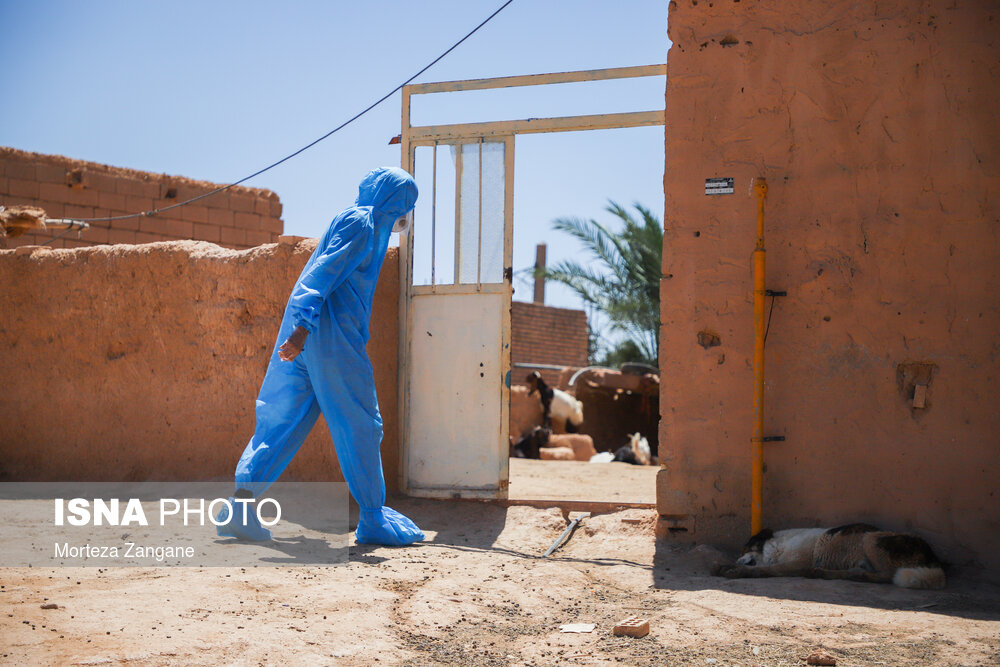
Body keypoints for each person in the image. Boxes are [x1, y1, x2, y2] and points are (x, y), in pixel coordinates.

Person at [216, 167, 425, 546]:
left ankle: (240, 509)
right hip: (331, 340)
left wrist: (301, 330)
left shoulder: (357, 220)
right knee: (362, 424)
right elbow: (319, 278)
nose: (404, 216)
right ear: (392, 201)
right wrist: (303, 328)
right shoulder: (363, 224)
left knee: (282, 420)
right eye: (404, 205)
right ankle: (373, 517)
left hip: (311, 337)